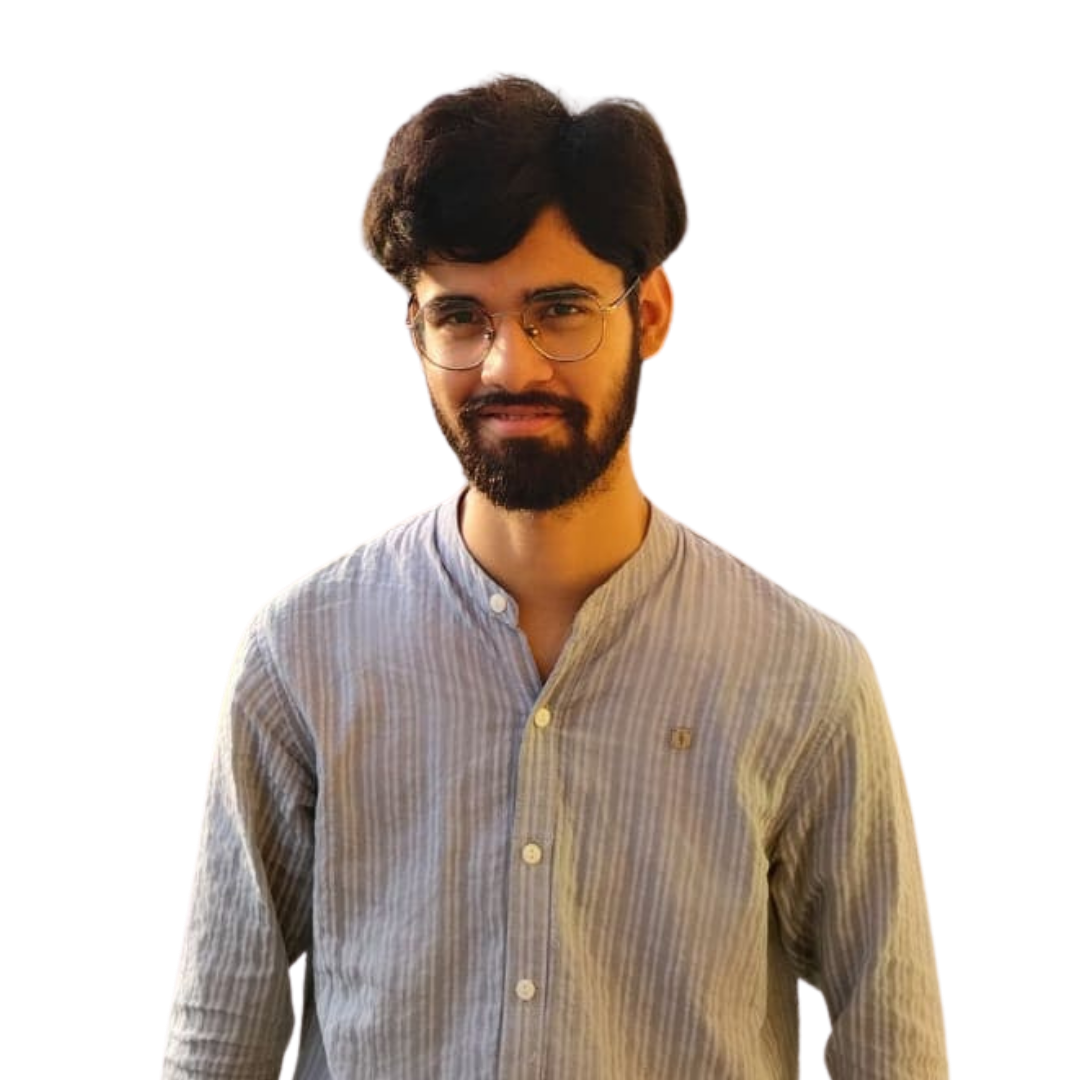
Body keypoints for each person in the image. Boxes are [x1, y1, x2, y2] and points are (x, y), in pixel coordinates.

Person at [161, 73, 950, 1079]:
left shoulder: (807, 671)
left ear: (651, 313)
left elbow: (896, 1050)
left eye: (560, 309)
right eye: (461, 317)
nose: (508, 368)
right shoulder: (297, 652)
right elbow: (218, 1044)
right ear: (414, 333)